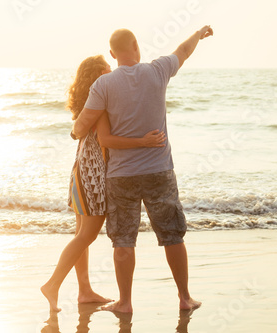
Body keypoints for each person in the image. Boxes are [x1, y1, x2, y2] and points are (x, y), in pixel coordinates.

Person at [72, 26, 214, 313]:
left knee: (123, 239)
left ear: (112, 54)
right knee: (172, 234)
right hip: (159, 170)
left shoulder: (103, 85)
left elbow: (84, 123)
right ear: (136, 46)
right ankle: (185, 298)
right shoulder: (158, 70)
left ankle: (125, 303)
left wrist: (75, 133)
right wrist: (198, 34)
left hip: (121, 176)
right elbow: (183, 51)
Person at [41, 55, 167, 312]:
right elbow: (107, 141)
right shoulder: (99, 103)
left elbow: (81, 132)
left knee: (81, 235)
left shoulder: (92, 102)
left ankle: (84, 292)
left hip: (81, 172)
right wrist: (143, 142)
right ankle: (52, 285)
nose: (113, 74)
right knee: (86, 235)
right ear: (99, 74)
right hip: (94, 177)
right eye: (108, 70)